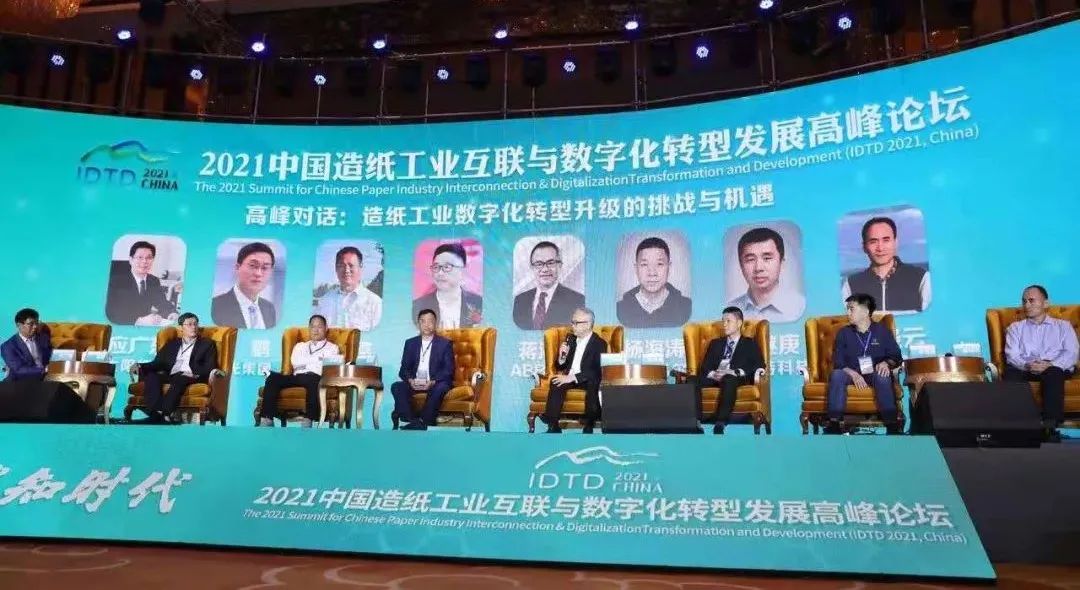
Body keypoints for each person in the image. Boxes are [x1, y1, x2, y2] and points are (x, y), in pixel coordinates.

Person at [1003, 285, 1078, 442]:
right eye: (1024, 301)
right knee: (1010, 373)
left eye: (1031, 300)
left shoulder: (1063, 326)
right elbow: (1012, 355)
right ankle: (1018, 426)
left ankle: (1050, 426)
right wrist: (1027, 365)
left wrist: (1050, 365)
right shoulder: (1015, 328)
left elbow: (1071, 353)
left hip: (1055, 368)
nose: (1027, 305)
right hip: (1026, 367)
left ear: (1045, 303)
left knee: (1054, 373)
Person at [825, 293, 904, 435]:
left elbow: (896, 356)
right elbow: (839, 362)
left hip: (874, 373)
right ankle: (834, 423)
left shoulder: (882, 331)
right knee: (837, 375)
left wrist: (886, 363)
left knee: (882, 376)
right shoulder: (844, 333)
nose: (848, 313)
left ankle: (891, 423)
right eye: (847, 309)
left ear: (866, 311)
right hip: (850, 373)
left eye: (851, 309)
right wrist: (854, 374)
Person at [133, 312, 218, 424]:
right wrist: (140, 365)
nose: (193, 327)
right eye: (189, 324)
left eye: (195, 324)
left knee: (180, 378)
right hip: (172, 375)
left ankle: (166, 413)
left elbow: (210, 366)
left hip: (192, 375)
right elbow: (158, 363)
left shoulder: (206, 344)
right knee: (152, 376)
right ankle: (156, 412)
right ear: (181, 328)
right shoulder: (172, 344)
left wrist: (195, 373)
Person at [258, 314, 340, 428]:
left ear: (326, 328)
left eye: (319, 327)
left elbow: (324, 367)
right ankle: (267, 418)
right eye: (313, 327)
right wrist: (318, 359)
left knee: (313, 379)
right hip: (297, 376)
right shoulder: (300, 346)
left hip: (315, 377)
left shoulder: (332, 348)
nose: (315, 330)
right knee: (272, 378)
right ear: (309, 328)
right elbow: (295, 362)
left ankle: (308, 418)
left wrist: (307, 362)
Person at [695, 307, 766, 434]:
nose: (724, 324)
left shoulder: (749, 343)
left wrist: (735, 372)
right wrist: (713, 374)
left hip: (734, 378)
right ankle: (695, 421)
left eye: (728, 321)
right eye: (723, 321)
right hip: (715, 377)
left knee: (728, 379)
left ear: (739, 323)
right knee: (691, 380)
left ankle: (720, 422)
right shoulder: (715, 343)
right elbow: (705, 367)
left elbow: (759, 364)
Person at [841, 216, 931, 314]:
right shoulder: (851, 285)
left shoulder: (921, 278)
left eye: (886, 240)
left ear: (895, 242)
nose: (880, 248)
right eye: (873, 241)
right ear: (864, 247)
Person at [541, 307, 608, 434]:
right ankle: (553, 425)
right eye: (572, 322)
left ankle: (589, 424)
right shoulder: (570, 340)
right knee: (556, 381)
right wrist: (562, 357)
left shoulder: (599, 343)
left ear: (588, 324)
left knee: (593, 383)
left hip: (587, 378)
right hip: (570, 377)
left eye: (576, 323)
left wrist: (573, 377)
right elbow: (560, 367)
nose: (572, 326)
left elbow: (596, 370)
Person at [391, 309, 456, 430]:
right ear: (418, 324)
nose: (427, 325)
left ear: (435, 323)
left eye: (430, 321)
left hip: (435, 383)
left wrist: (432, 382)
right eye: (423, 321)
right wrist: (410, 380)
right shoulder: (410, 343)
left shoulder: (445, 344)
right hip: (415, 384)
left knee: (441, 387)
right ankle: (412, 421)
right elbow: (404, 369)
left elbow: (448, 370)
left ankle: (424, 421)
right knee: (397, 386)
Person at [726, 228, 805, 323]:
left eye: (767, 258)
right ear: (741, 266)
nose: (758, 268)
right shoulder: (729, 311)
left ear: (782, 263)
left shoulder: (799, 306)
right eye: (750, 259)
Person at [616, 237, 692, 328]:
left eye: (659, 264)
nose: (652, 273)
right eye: (644, 264)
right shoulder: (620, 309)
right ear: (636, 268)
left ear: (669, 267)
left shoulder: (686, 307)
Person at [512, 240, 586, 330]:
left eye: (551, 263)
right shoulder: (520, 300)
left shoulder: (577, 301)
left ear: (560, 265)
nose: (545, 269)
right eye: (539, 264)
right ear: (532, 267)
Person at [105, 240, 179, 326]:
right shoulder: (116, 282)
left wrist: (171, 313)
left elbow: (162, 302)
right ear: (131, 260)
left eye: (149, 258)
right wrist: (138, 321)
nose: (144, 261)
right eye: (140, 257)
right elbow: (111, 312)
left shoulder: (153, 281)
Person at [412, 243, 483, 330]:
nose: (440, 273)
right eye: (436, 267)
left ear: (463, 271)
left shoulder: (479, 303)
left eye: (447, 267)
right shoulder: (418, 307)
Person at [313, 246, 382, 331]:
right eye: (342, 266)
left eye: (351, 265)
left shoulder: (375, 303)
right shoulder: (325, 301)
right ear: (336, 269)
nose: (346, 270)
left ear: (360, 268)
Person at [211, 241, 278, 329]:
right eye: (253, 265)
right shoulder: (215, 306)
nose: (258, 273)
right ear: (237, 268)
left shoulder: (269, 308)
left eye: (265, 268)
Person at [1, 308, 53, 382]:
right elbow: (19, 370)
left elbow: (50, 356)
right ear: (19, 325)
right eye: (31, 324)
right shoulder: (7, 346)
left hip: (44, 379)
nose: (35, 326)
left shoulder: (43, 338)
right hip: (19, 382)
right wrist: (45, 369)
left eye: (36, 323)